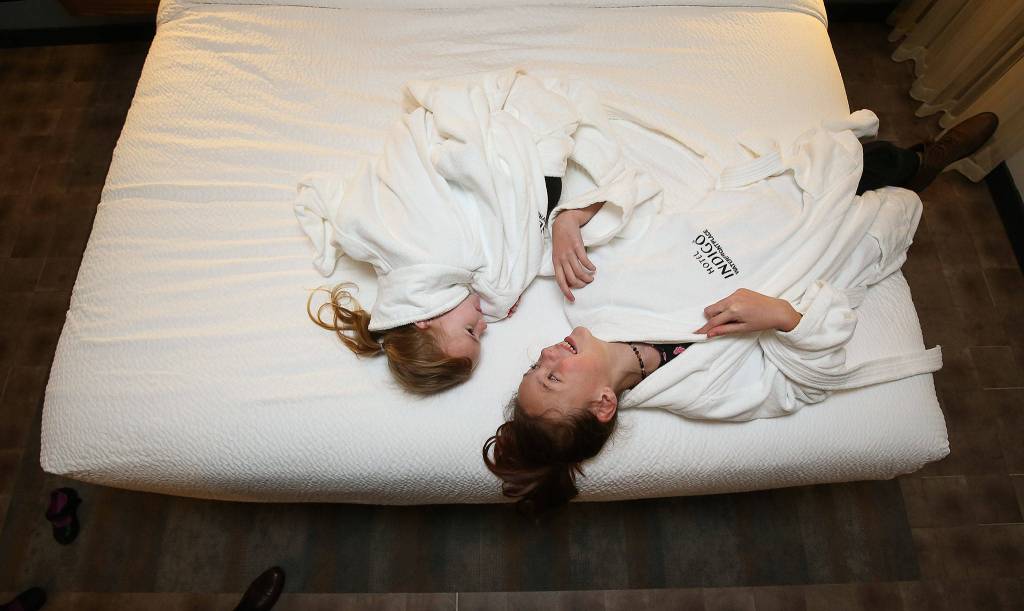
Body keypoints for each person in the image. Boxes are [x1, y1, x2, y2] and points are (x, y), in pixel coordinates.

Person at [483, 112, 999, 515]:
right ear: (602, 404)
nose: (548, 352)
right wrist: (782, 316)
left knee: (869, 162)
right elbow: (813, 380)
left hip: (760, 211)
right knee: (888, 206)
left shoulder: (589, 291)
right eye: (552, 377)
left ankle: (920, 160)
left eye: (536, 366)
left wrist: (572, 218)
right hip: (819, 256)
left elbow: (638, 195)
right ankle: (922, 172)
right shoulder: (704, 392)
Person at [296, 68, 653, 394]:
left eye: (471, 331)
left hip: (489, 149)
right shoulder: (425, 279)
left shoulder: (425, 258)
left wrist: (500, 298)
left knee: (545, 155)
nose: (483, 326)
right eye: (481, 336)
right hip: (508, 171)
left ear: (422, 320)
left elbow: (367, 205)